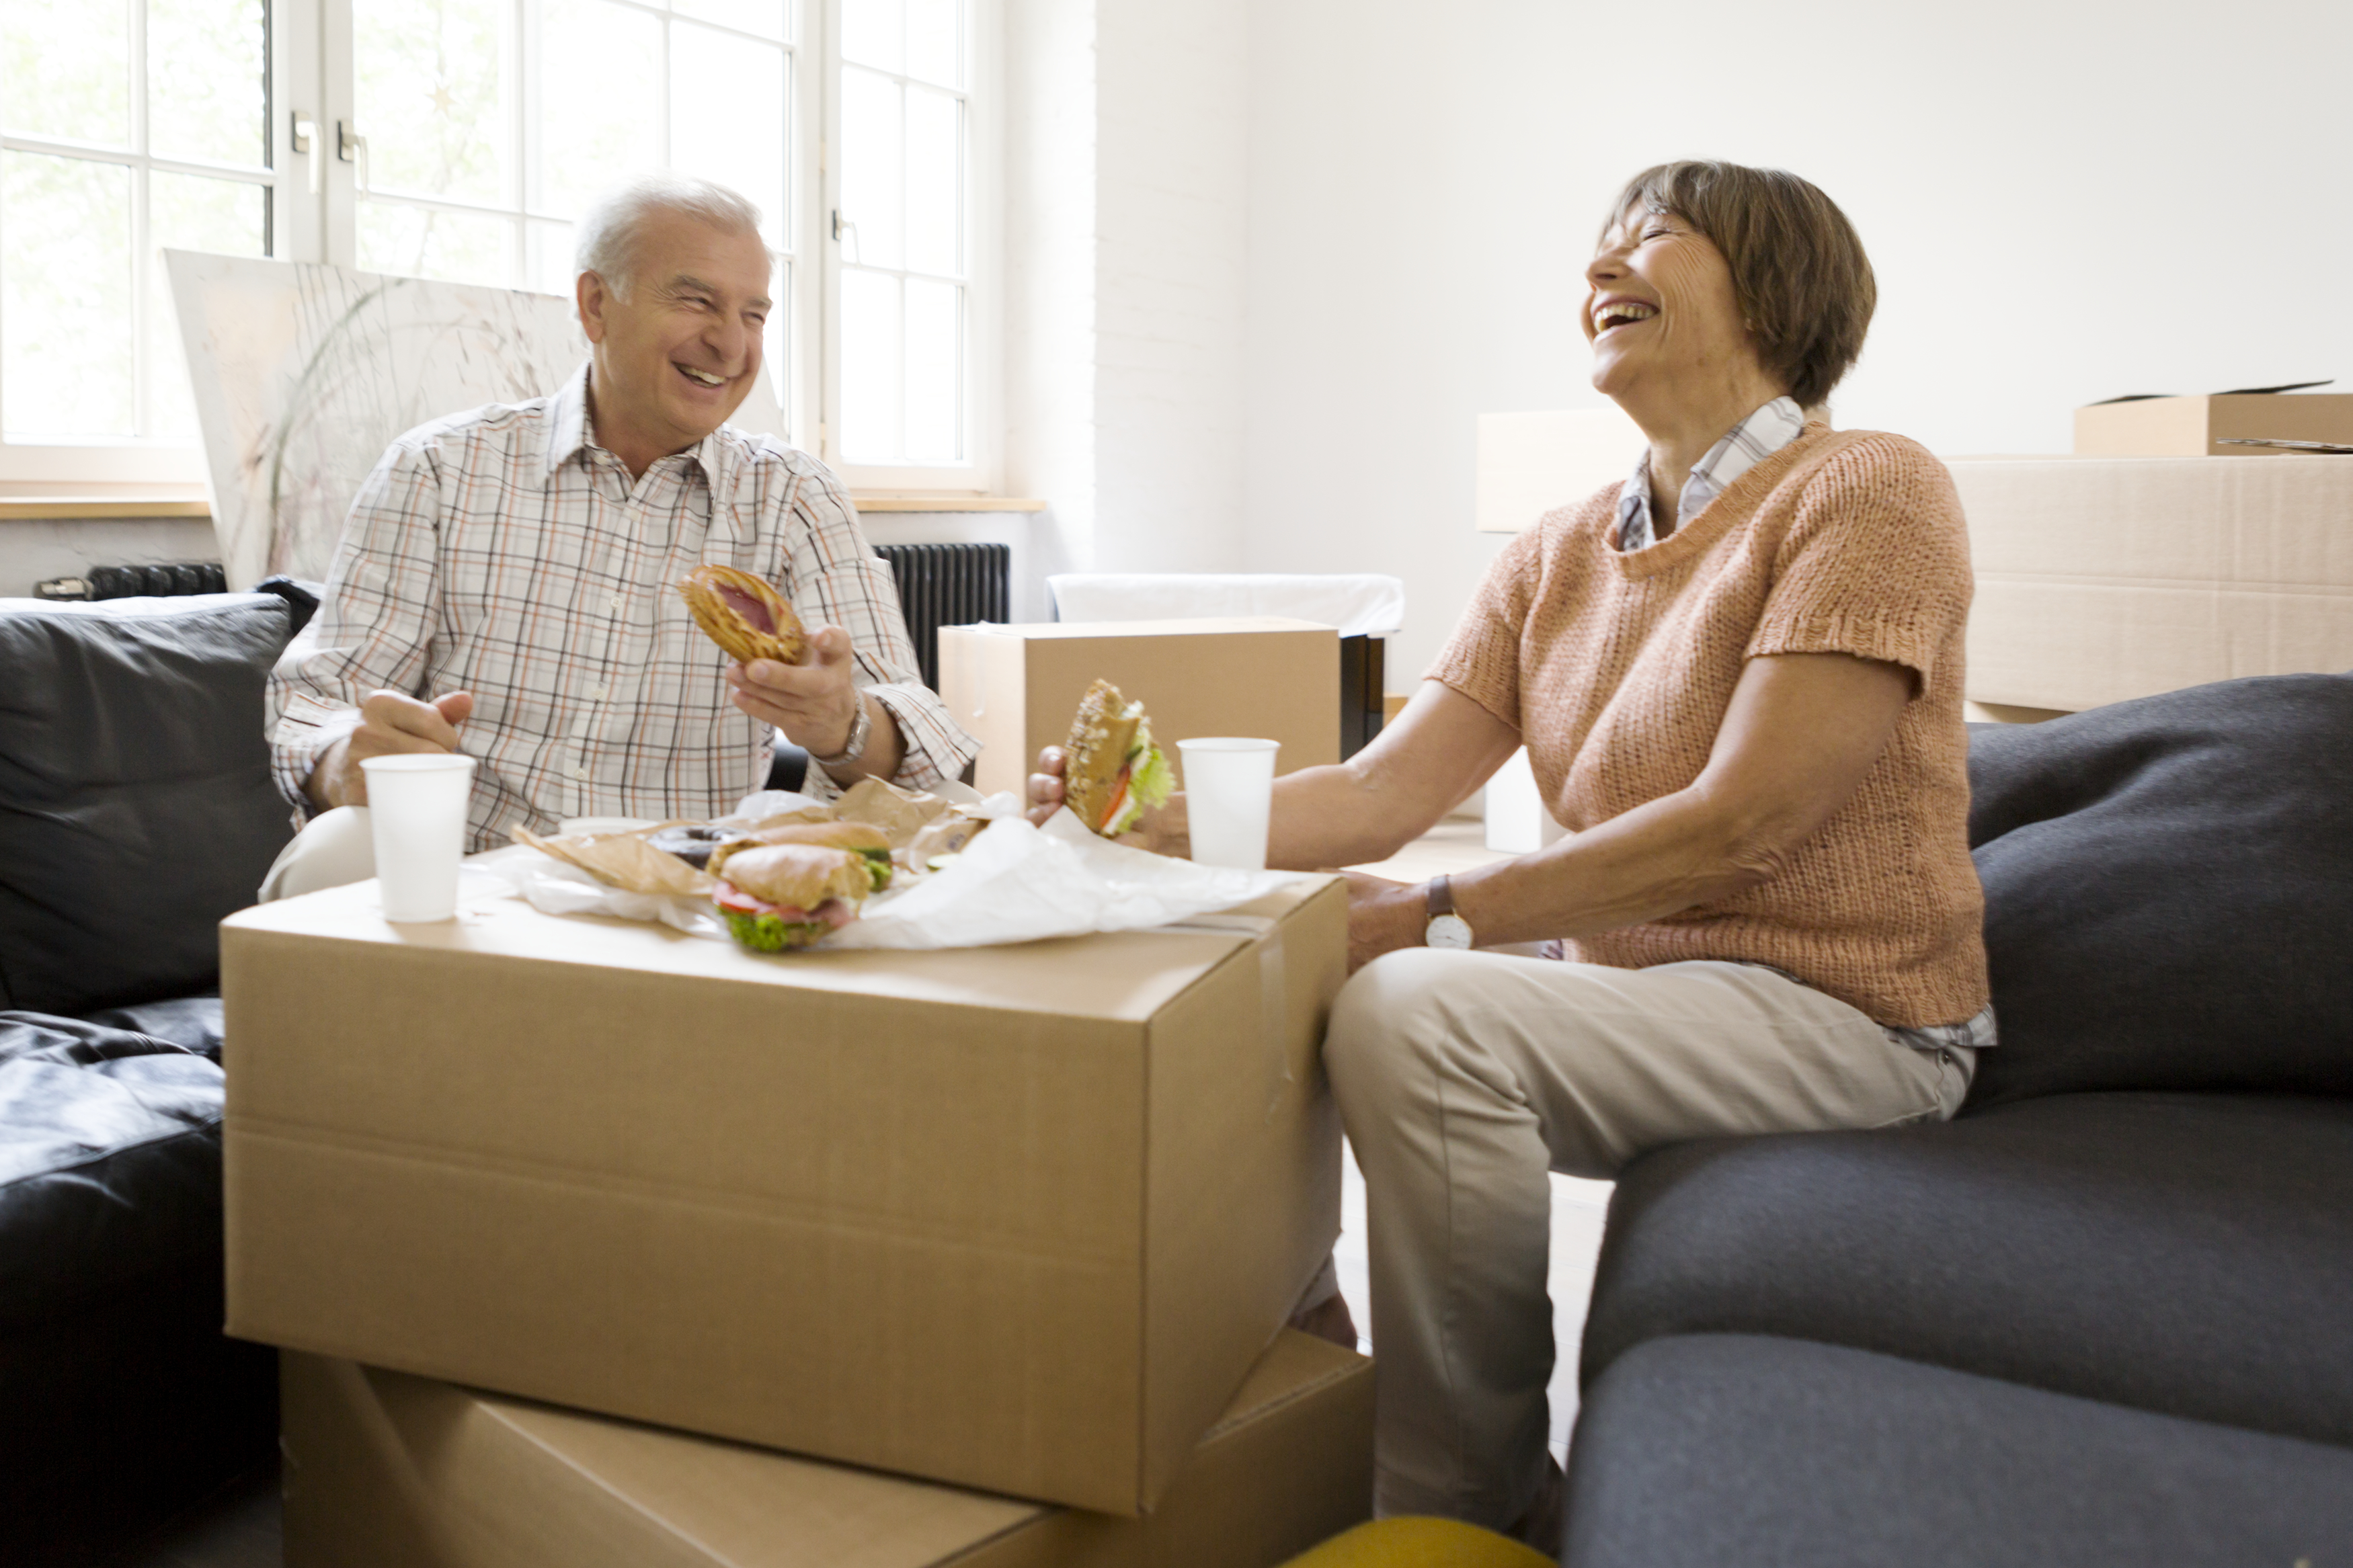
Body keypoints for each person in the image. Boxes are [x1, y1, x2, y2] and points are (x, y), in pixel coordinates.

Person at [1031, 160, 1991, 1548]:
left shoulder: (1867, 489)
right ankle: (1290, 1357)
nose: (1603, 265)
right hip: (1652, 1003)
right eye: (1596, 243)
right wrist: (1150, 818)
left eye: (1652, 236)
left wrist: (1438, 910)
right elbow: (1376, 793)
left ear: (1778, 285)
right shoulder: (1553, 550)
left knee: (1415, 1003)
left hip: (1849, 1022)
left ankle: (1465, 1505)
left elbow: (1747, 819)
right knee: (1249, 965)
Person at [266, 173, 974, 876]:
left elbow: (911, 736)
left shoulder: (794, 498)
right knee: (328, 855)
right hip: (462, 878)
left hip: (680, 896)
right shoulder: (439, 470)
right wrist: (342, 759)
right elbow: (316, 701)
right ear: (596, 304)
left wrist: (841, 724)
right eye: (697, 301)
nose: (731, 344)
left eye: (754, 314)